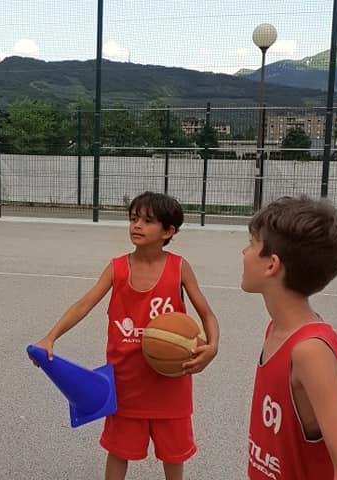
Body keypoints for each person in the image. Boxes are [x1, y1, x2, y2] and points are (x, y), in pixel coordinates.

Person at [33, 191, 220, 480]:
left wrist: (213, 346)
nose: (137, 226)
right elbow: (84, 304)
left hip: (170, 384)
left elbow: (207, 313)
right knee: (118, 453)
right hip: (125, 383)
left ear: (168, 231)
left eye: (147, 221)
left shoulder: (179, 268)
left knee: (173, 456)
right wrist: (50, 337)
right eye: (134, 219)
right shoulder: (118, 267)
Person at [241, 196, 337, 480]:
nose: (243, 251)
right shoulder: (277, 329)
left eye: (252, 244)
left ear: (272, 265)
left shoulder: (309, 351)